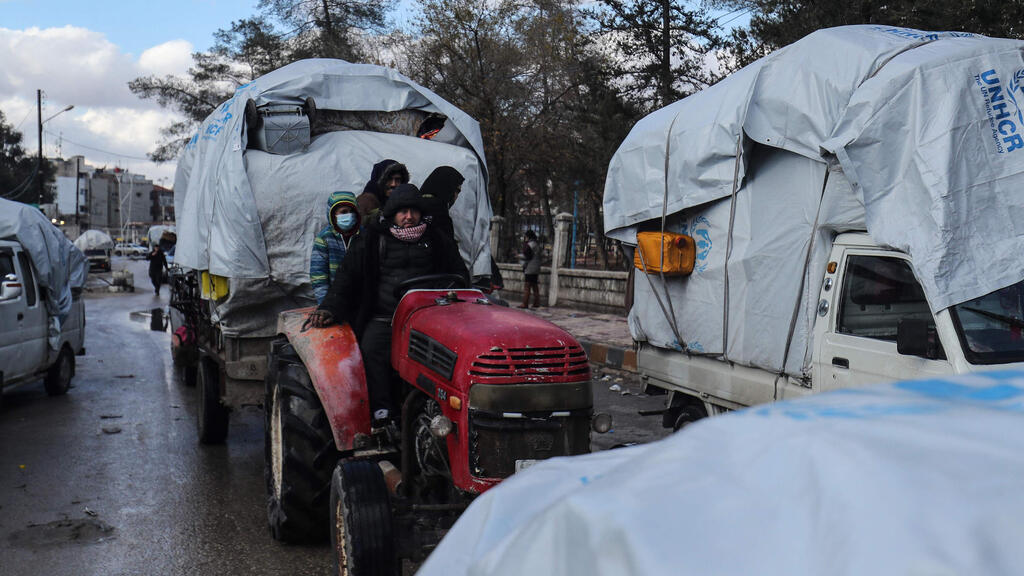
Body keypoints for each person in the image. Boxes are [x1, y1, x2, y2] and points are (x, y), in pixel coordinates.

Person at [307, 184, 468, 427]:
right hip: (385, 317)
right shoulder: (372, 239)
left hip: (429, 320)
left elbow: (459, 274)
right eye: (402, 211)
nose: (409, 217)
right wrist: (329, 308)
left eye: (413, 211)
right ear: (393, 214)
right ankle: (381, 411)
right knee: (370, 351)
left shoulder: (437, 238)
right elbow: (347, 278)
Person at [310, 190, 361, 305]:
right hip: (334, 301)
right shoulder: (324, 239)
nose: (349, 215)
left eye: (352, 211)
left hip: (361, 302)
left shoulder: (364, 236)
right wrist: (326, 305)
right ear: (333, 215)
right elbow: (319, 277)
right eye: (343, 212)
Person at [419, 165, 465, 242]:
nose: (456, 196)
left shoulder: (417, 205)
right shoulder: (439, 212)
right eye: (456, 190)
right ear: (447, 186)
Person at [519, 230, 542, 308]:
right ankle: (537, 302)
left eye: (525, 236)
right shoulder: (537, 244)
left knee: (527, 286)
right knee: (535, 286)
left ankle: (525, 303)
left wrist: (518, 256)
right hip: (536, 268)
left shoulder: (529, 245)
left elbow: (527, 256)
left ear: (528, 236)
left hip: (530, 268)